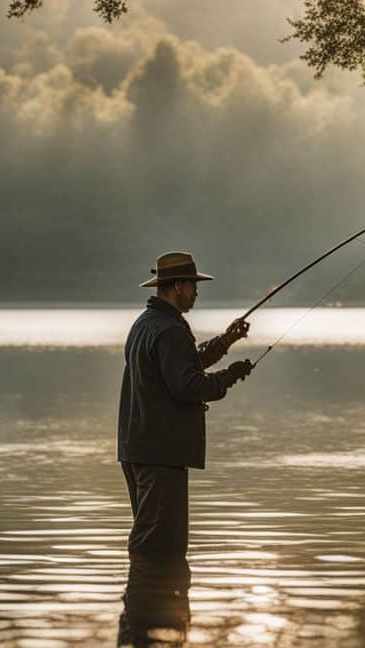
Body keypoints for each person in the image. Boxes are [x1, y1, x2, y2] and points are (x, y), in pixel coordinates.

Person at [116, 251, 253, 644]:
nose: (196, 293)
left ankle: (140, 623)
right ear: (178, 287)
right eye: (193, 286)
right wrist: (229, 376)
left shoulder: (146, 324)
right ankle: (153, 626)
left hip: (138, 448)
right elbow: (188, 385)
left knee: (151, 538)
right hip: (162, 454)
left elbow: (184, 364)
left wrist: (227, 340)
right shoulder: (170, 330)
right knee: (160, 545)